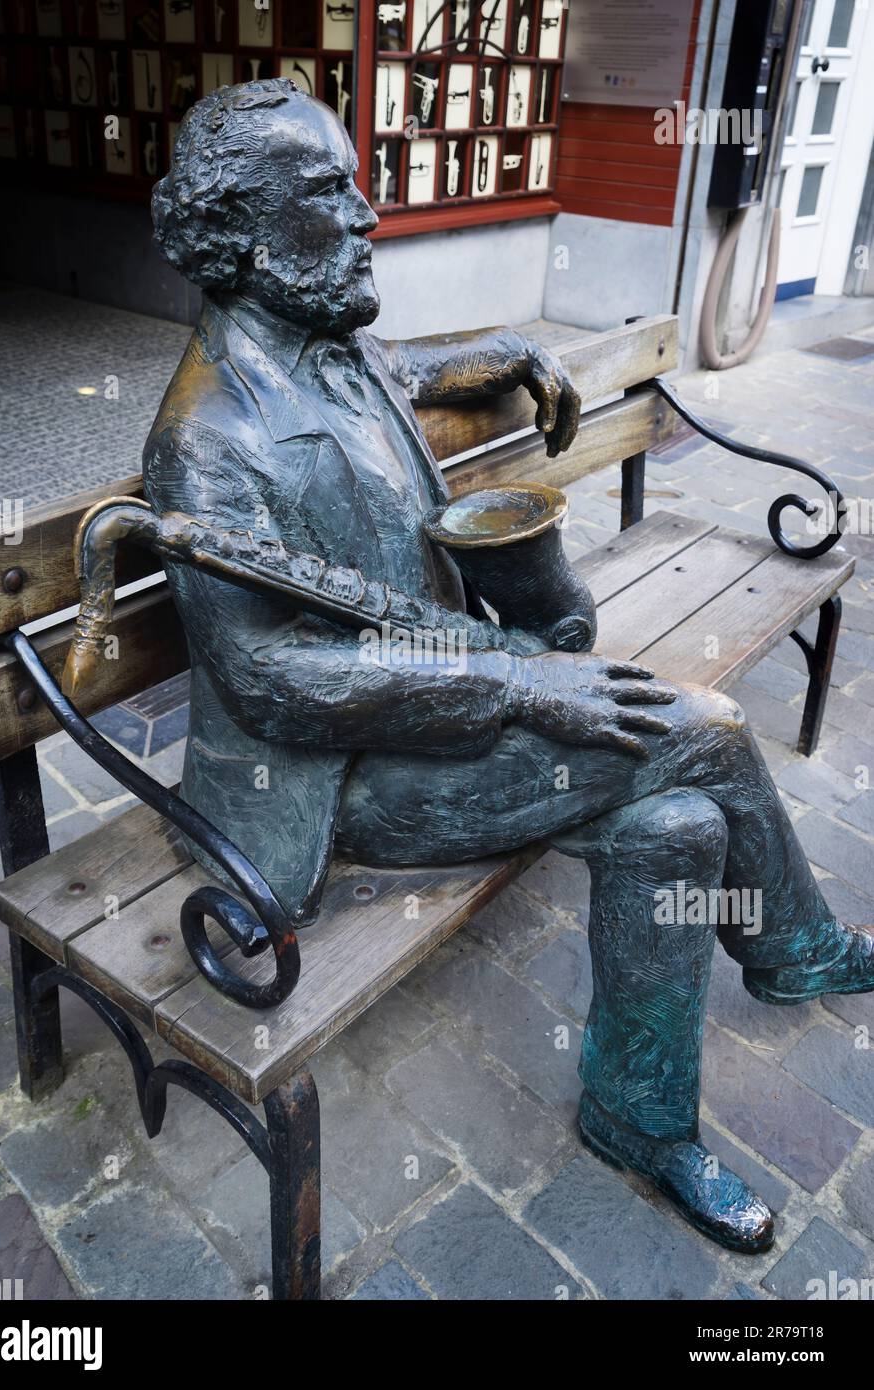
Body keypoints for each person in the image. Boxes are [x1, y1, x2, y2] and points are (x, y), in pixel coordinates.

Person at [145, 80, 873, 1254]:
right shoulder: (209, 438)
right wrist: (521, 684)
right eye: (331, 195)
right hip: (338, 781)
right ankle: (796, 949)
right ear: (241, 235)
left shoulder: (326, 343)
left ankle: (637, 1117)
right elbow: (271, 681)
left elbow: (414, 368)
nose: (368, 214)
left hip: (434, 700)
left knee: (676, 829)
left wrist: (511, 347)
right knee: (704, 729)